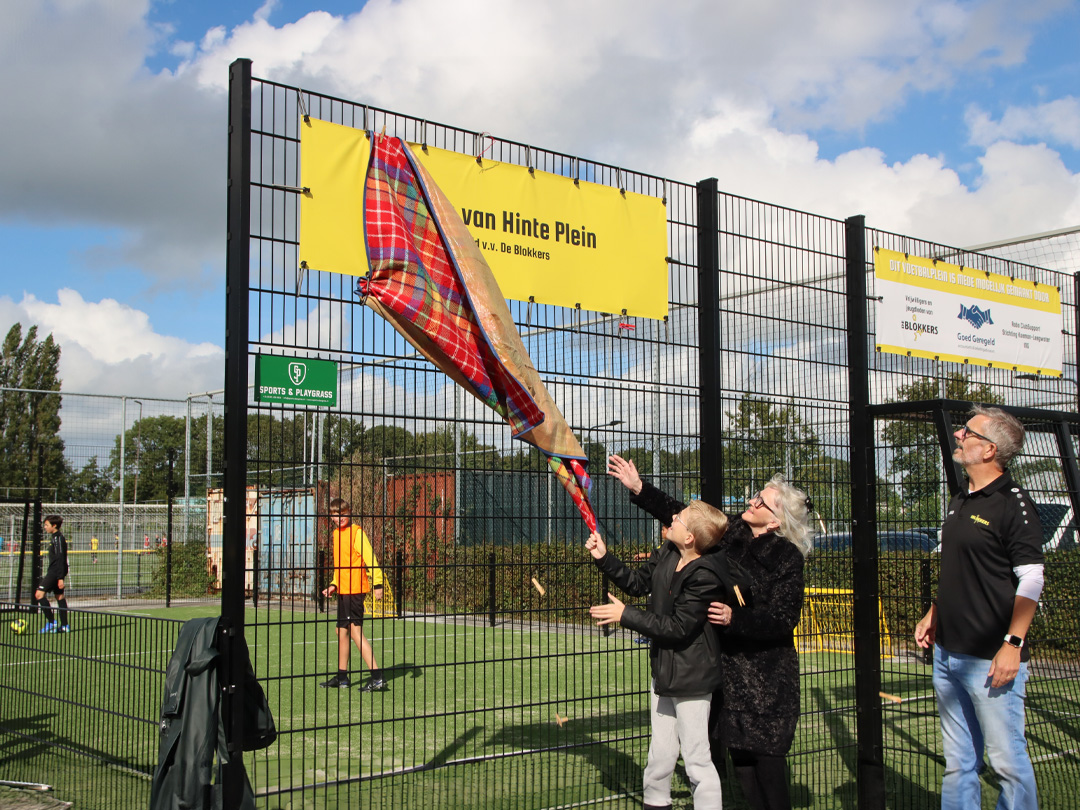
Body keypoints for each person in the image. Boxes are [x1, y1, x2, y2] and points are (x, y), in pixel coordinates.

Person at [608, 455, 811, 810]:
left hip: (767, 677)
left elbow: (783, 618)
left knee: (768, 765)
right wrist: (640, 489)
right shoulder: (731, 534)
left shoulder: (786, 558)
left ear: (776, 520)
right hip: (729, 672)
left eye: (761, 500)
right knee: (742, 766)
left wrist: (738, 618)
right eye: (755, 496)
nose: (752, 501)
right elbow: (688, 519)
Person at [915, 406, 1043, 810]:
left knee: (1007, 763)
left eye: (967, 432)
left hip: (991, 659)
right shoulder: (959, 498)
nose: (957, 435)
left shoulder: (1013, 503)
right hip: (947, 654)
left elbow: (1033, 579)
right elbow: (962, 568)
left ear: (988, 450)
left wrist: (1013, 643)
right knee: (958, 763)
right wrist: (934, 613)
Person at [588, 499, 737, 810]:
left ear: (690, 538)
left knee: (696, 759)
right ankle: (655, 804)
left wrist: (624, 615)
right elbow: (637, 582)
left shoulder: (706, 575)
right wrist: (604, 557)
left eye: (679, 519)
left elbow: (677, 628)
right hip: (664, 671)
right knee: (660, 755)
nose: (673, 518)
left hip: (693, 677)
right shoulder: (669, 552)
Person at [320, 497, 387, 691]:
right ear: (331, 516)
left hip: (356, 590)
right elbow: (339, 565)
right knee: (342, 631)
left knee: (355, 632)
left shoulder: (357, 533)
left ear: (349, 512)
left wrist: (378, 583)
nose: (340, 517)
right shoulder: (336, 534)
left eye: (343, 513)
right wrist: (333, 584)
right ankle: (342, 677)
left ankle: (377, 677)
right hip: (343, 591)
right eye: (335, 515)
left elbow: (370, 557)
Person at [35, 514, 71, 634]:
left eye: (46, 525)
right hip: (55, 571)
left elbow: (61, 558)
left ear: (54, 525)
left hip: (55, 573)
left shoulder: (59, 538)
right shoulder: (54, 538)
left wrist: (60, 578)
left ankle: (51, 622)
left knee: (39, 595)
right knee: (59, 597)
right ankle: (65, 626)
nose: (45, 527)